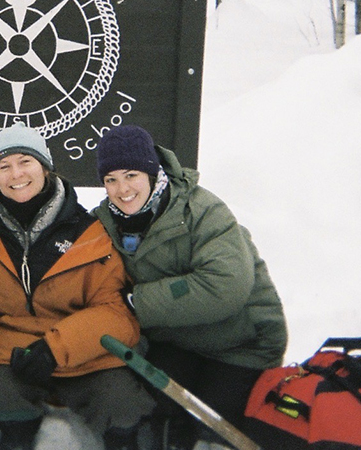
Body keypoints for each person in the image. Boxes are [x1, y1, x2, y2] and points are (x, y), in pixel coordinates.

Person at [0, 123, 157, 450]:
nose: (16, 173)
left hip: (87, 354)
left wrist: (54, 349)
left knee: (124, 410)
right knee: (5, 410)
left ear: (46, 167)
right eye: (4, 166)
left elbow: (117, 315)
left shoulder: (90, 233)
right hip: (13, 356)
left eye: (26, 161)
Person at [94, 125, 288, 450]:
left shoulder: (202, 212)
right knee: (149, 410)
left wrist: (137, 303)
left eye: (131, 175)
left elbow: (224, 287)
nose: (122, 189)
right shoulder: (108, 222)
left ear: (152, 174)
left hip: (242, 343)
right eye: (111, 179)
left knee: (209, 430)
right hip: (180, 338)